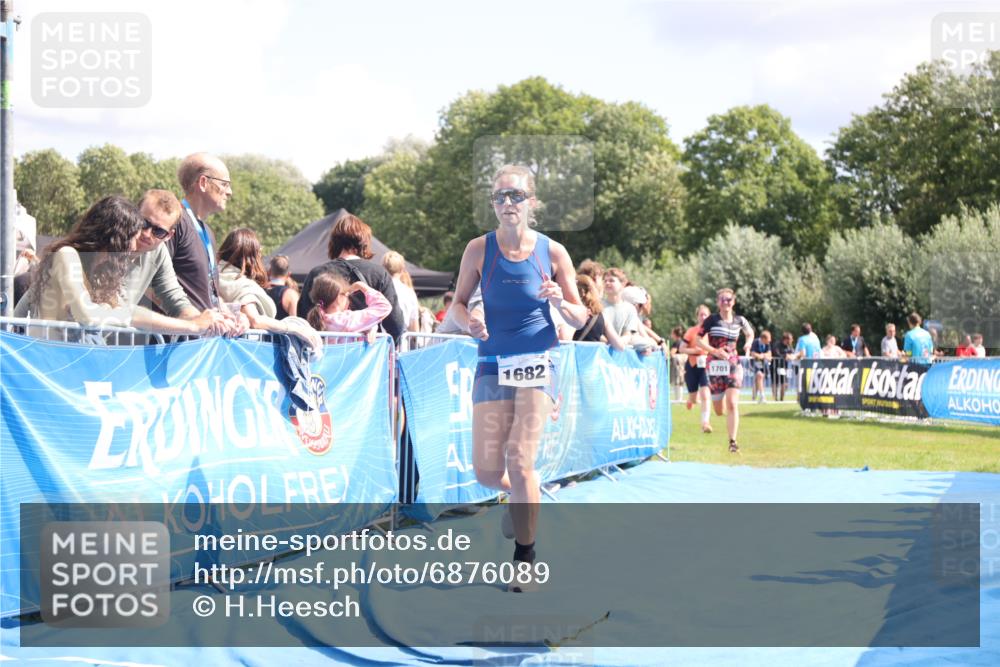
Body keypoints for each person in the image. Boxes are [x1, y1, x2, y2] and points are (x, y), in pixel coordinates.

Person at [450, 164, 587, 593]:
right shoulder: (478, 249)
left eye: (516, 196)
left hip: (539, 359)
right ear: (493, 204)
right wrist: (469, 318)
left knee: (519, 457)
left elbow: (582, 316)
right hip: (492, 361)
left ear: (531, 202)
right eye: (500, 197)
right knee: (488, 473)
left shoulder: (553, 252)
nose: (508, 203)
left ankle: (525, 558)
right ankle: (521, 499)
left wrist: (562, 301)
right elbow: (454, 304)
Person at [15, 196, 221, 337]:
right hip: (49, 366)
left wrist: (194, 324)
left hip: (71, 364)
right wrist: (193, 326)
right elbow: (88, 315)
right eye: (135, 233)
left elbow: (127, 311)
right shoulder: (67, 255)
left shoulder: (100, 270)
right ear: (116, 236)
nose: (137, 242)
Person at [297, 214, 405, 343]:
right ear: (364, 242)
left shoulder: (317, 273)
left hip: (326, 353)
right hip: (366, 354)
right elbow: (395, 324)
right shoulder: (379, 274)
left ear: (334, 242)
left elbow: (303, 318)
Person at [216, 229, 321, 350]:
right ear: (252, 256)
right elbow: (255, 320)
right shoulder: (241, 284)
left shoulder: (214, 277)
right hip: (242, 352)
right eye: (259, 252)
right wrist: (294, 329)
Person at [171, 153, 236, 315]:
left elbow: (206, 292)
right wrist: (190, 318)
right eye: (225, 184)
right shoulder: (173, 222)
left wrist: (227, 312)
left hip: (202, 338)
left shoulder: (208, 232)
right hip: (176, 339)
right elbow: (149, 283)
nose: (230, 192)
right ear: (203, 182)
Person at [694, 288, 754, 453]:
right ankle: (721, 411)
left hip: (733, 363)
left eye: (729, 299)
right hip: (715, 364)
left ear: (733, 302)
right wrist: (714, 351)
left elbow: (750, 333)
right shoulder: (711, 320)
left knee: (733, 403)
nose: (726, 302)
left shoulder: (739, 320)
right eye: (722, 300)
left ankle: (733, 442)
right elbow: (698, 340)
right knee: (719, 409)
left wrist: (748, 343)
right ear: (718, 302)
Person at [305, 272, 392, 345]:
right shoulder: (345, 320)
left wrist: (371, 326)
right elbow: (384, 306)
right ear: (338, 297)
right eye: (347, 294)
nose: (349, 299)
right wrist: (363, 287)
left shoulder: (319, 318)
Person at [679, 304, 713, 433]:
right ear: (697, 317)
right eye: (701, 315)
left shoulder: (713, 332)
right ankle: (690, 399)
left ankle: (705, 423)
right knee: (694, 399)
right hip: (692, 366)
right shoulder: (692, 331)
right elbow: (681, 348)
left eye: (706, 314)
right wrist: (695, 350)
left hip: (706, 367)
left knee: (705, 395)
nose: (703, 317)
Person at [572, 274, 626, 351]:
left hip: (572, 360)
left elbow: (564, 341)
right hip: (592, 360)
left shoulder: (570, 312)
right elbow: (620, 346)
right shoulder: (601, 315)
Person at [382, 250, 420, 333]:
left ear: (383, 268)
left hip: (382, 340)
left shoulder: (379, 290)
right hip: (403, 339)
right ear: (402, 269)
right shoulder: (410, 293)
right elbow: (414, 326)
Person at [602, 268, 642, 344]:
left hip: (619, 352)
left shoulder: (630, 309)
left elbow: (628, 335)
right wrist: (611, 343)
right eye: (605, 281)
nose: (607, 283)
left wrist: (617, 344)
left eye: (611, 280)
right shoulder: (597, 305)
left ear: (623, 284)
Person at [266, 255, 300, 320]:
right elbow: (295, 322)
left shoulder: (260, 290)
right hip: (283, 329)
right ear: (289, 274)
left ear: (269, 272)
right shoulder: (291, 295)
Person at [771, 331, 795, 402]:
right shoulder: (777, 344)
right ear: (786, 339)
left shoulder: (789, 346)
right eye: (791, 339)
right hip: (775, 366)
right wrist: (785, 356)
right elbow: (776, 354)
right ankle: (775, 399)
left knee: (784, 384)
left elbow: (793, 353)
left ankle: (781, 399)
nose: (792, 340)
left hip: (783, 368)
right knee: (775, 383)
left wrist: (791, 356)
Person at [750, 330, 772, 403]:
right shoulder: (755, 342)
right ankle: (762, 396)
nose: (770, 340)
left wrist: (763, 355)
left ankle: (754, 397)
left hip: (763, 364)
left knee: (758, 380)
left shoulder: (767, 344)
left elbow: (769, 355)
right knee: (759, 376)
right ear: (763, 338)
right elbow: (752, 353)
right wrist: (760, 356)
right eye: (768, 338)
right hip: (755, 363)